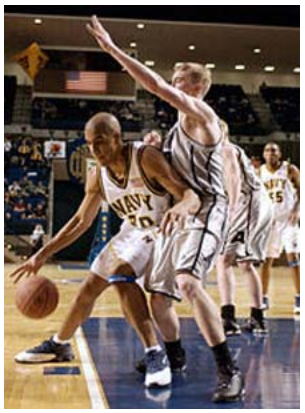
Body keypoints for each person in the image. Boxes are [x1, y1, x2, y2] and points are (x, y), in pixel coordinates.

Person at [87, 16, 244, 402]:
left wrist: (112, 49)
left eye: (180, 78)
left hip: (207, 208)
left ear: (197, 87)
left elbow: (152, 84)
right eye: (173, 77)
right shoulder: (176, 129)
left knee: (188, 282)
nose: (172, 81)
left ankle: (229, 369)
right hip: (182, 210)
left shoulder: (202, 115)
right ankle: (175, 356)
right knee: (159, 298)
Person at [10, 112, 200, 389]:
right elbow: (79, 222)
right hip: (132, 231)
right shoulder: (97, 175)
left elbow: (189, 194)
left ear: (116, 137)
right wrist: (41, 254)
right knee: (89, 286)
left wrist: (182, 207)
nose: (94, 149)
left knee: (121, 275)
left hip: (164, 231)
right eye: (89, 143)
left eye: (99, 141)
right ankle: (61, 344)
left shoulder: (145, 157)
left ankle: (154, 353)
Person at [216, 121, 272, 335]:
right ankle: (258, 318)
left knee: (224, 259)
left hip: (248, 202)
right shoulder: (223, 151)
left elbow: (234, 178)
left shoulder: (226, 148)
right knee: (246, 263)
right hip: (259, 204)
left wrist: (230, 209)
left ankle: (228, 318)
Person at [259, 142, 300, 314]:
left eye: (274, 150)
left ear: (280, 154)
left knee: (294, 257)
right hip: (269, 222)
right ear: (263, 154)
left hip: (287, 220)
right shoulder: (259, 172)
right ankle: (263, 297)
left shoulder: (290, 169)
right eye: (267, 150)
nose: (271, 153)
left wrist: (298, 209)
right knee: (266, 260)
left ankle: (299, 297)